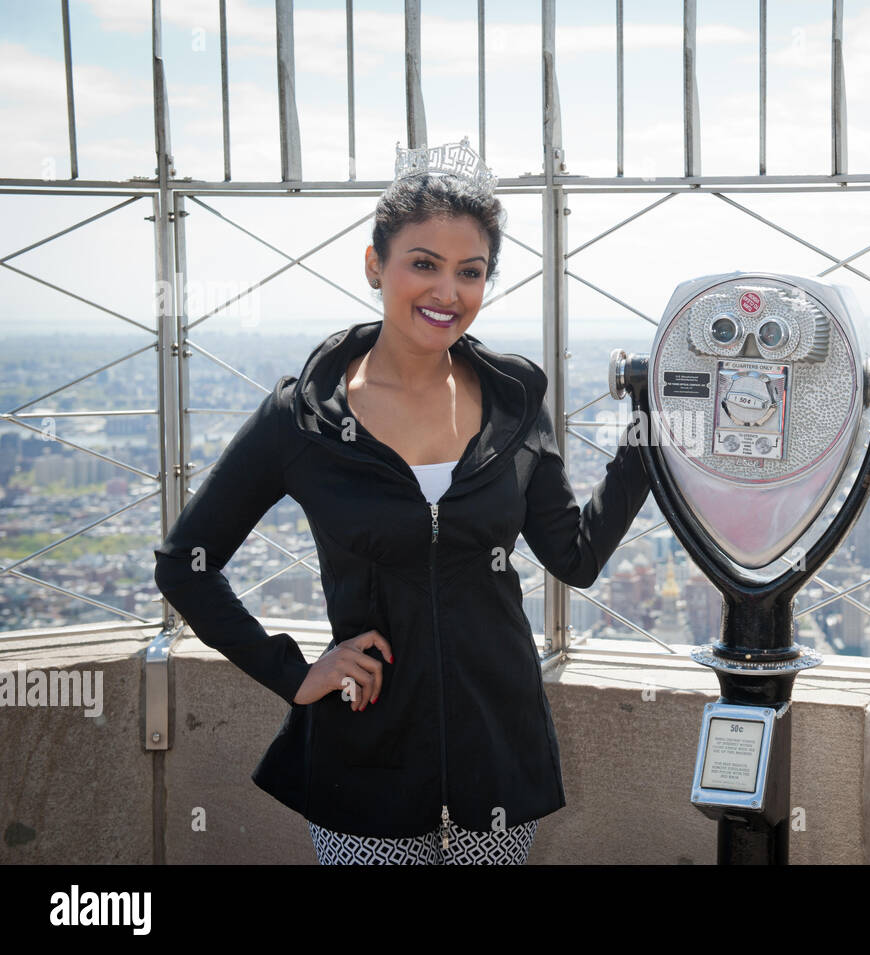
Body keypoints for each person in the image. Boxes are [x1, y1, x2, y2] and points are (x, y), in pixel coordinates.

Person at [153, 137, 652, 864]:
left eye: (470, 271)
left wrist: (649, 432)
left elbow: (574, 557)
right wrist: (295, 673)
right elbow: (184, 564)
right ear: (373, 265)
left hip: (498, 752)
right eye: (424, 264)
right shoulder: (303, 418)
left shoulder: (516, 398)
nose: (448, 292)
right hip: (365, 759)